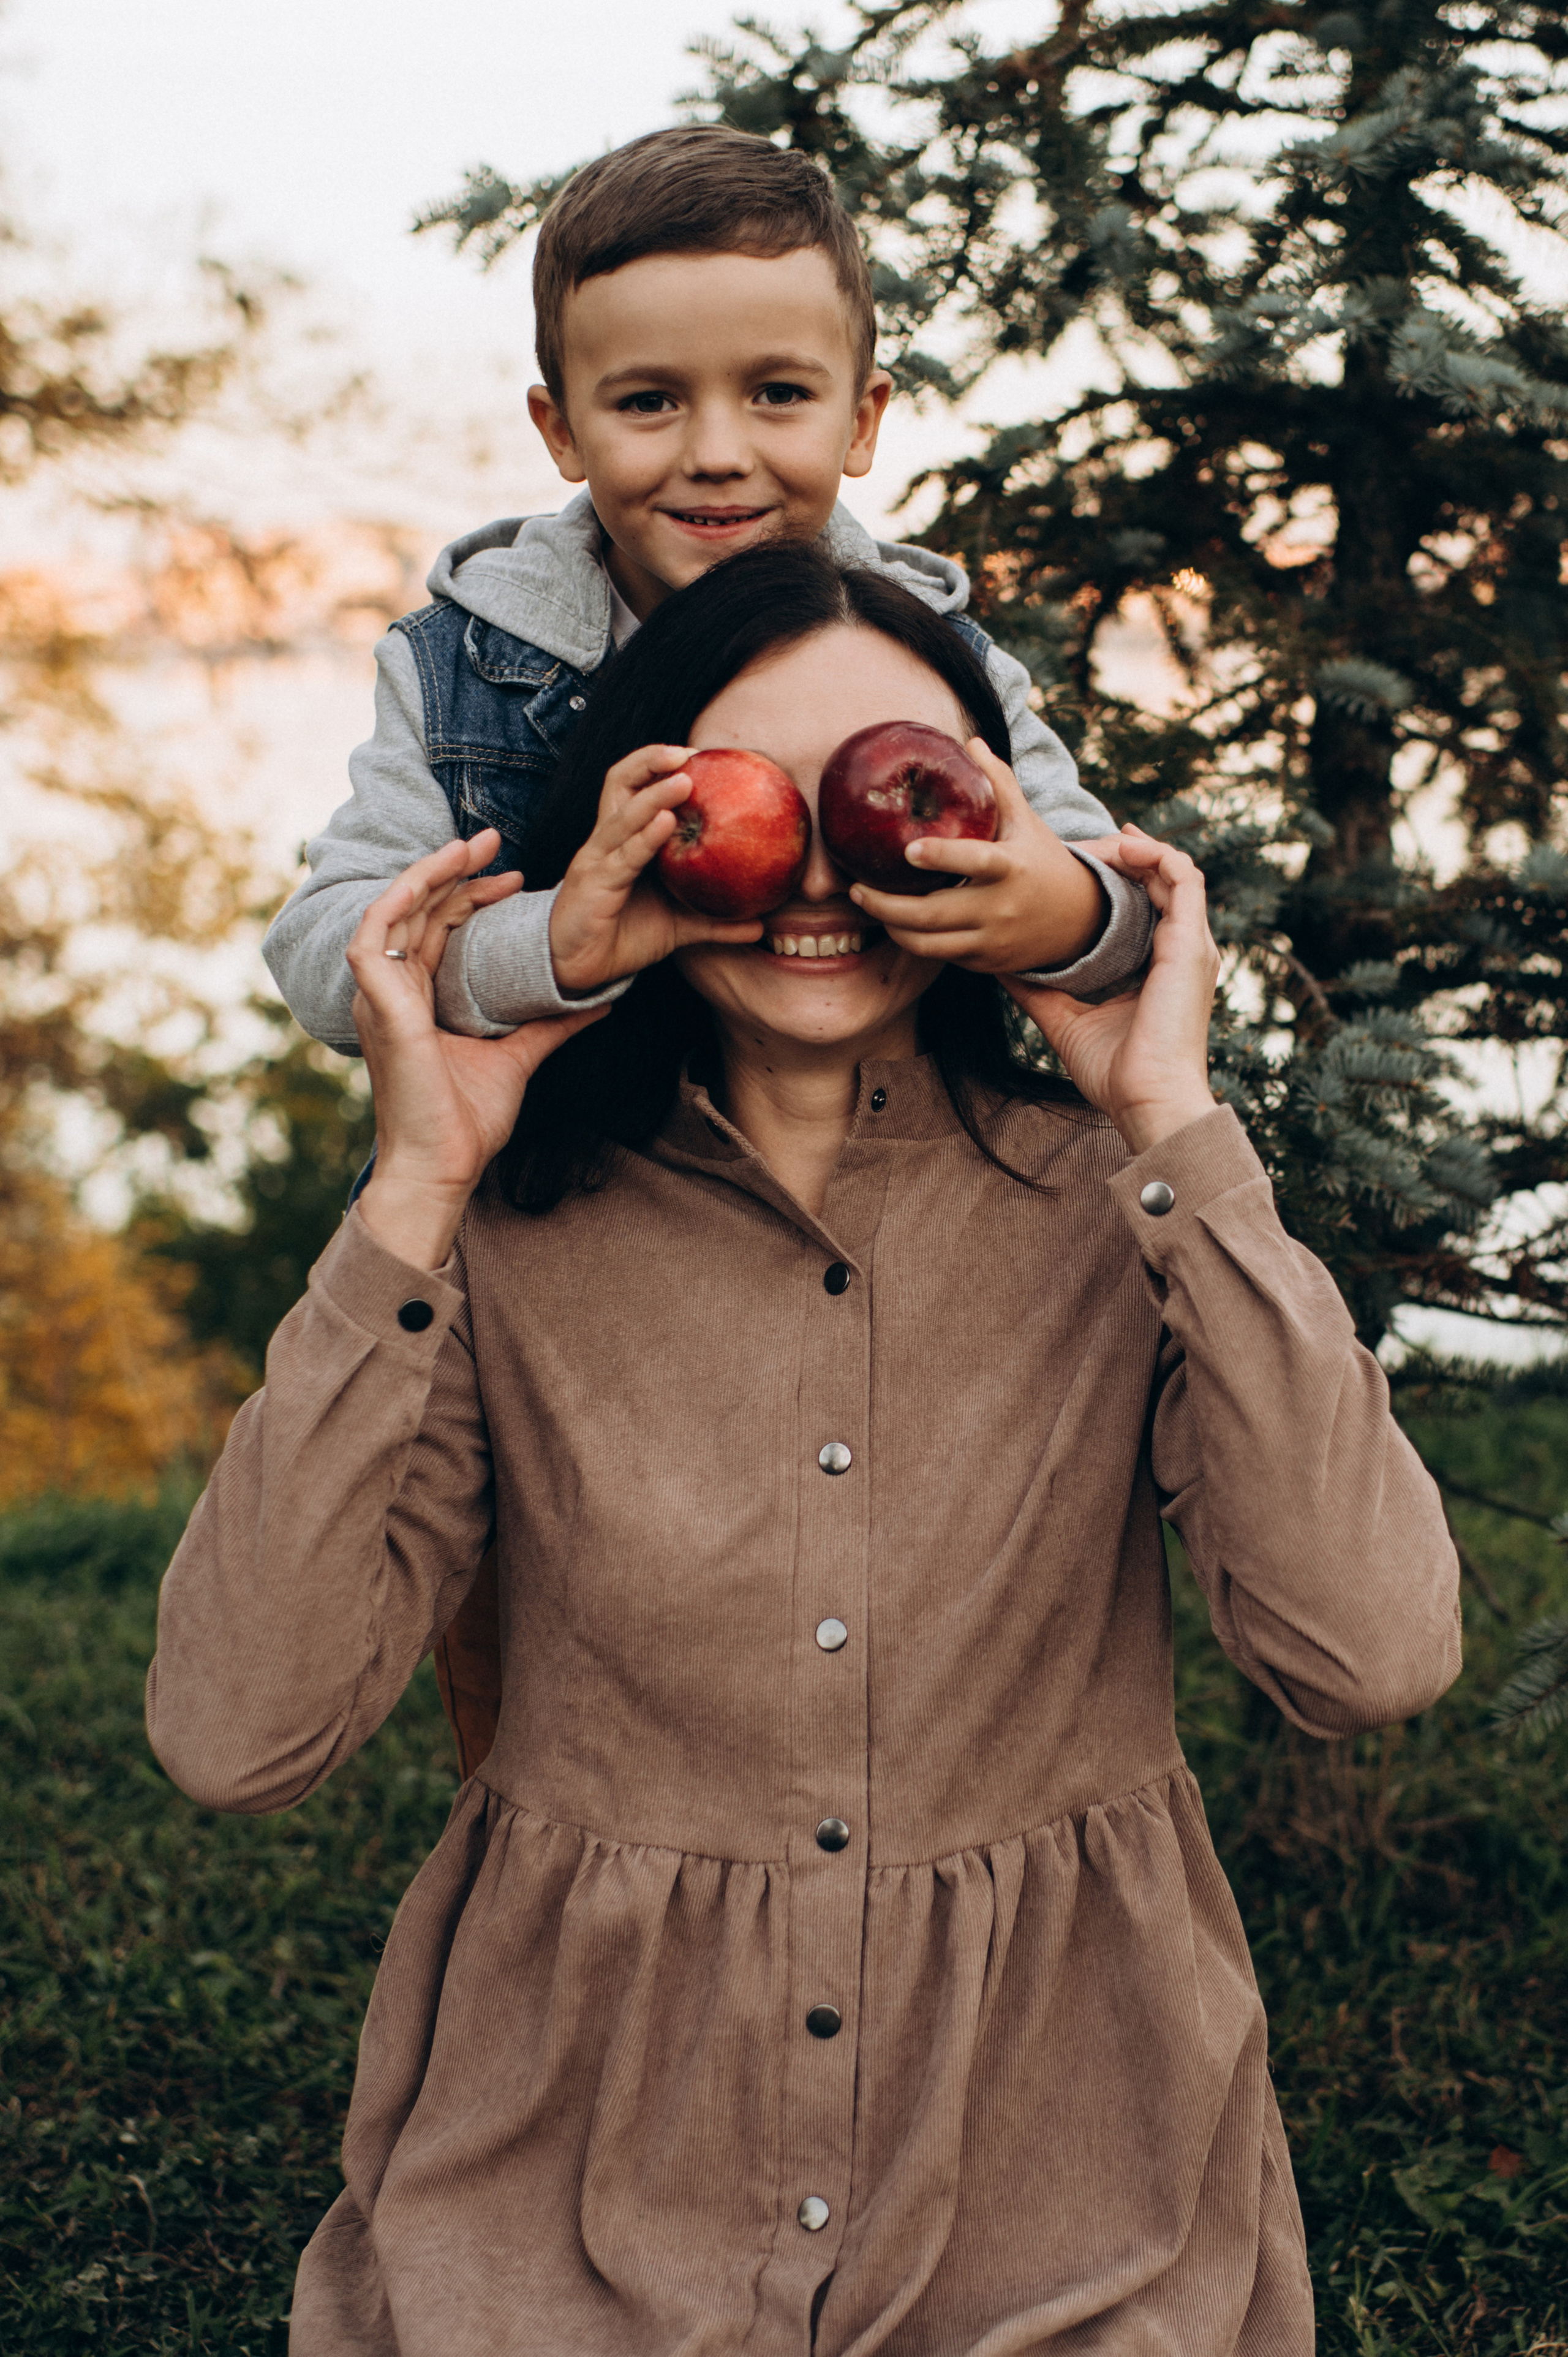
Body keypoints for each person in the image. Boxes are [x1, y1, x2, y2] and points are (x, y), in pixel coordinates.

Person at [148, 545, 1461, 2357]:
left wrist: (1174, 1117)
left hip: (1064, 2203)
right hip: (580, 2202)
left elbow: (1373, 1652)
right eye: (748, 795)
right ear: (642, 823)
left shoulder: (1115, 1203)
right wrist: (412, 1193)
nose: (824, 872)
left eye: (892, 791)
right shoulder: (505, 1236)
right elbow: (236, 1735)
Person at [260, 124, 1155, 1059]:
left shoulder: (934, 651)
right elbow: (329, 957)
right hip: (564, 1184)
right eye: (649, 402)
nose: (718, 456)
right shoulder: (469, 668)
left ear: (860, 420)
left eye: (776, 393)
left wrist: (1064, 914)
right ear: (562, 430)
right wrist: (546, 942)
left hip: (878, 1170)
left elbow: (1127, 911)